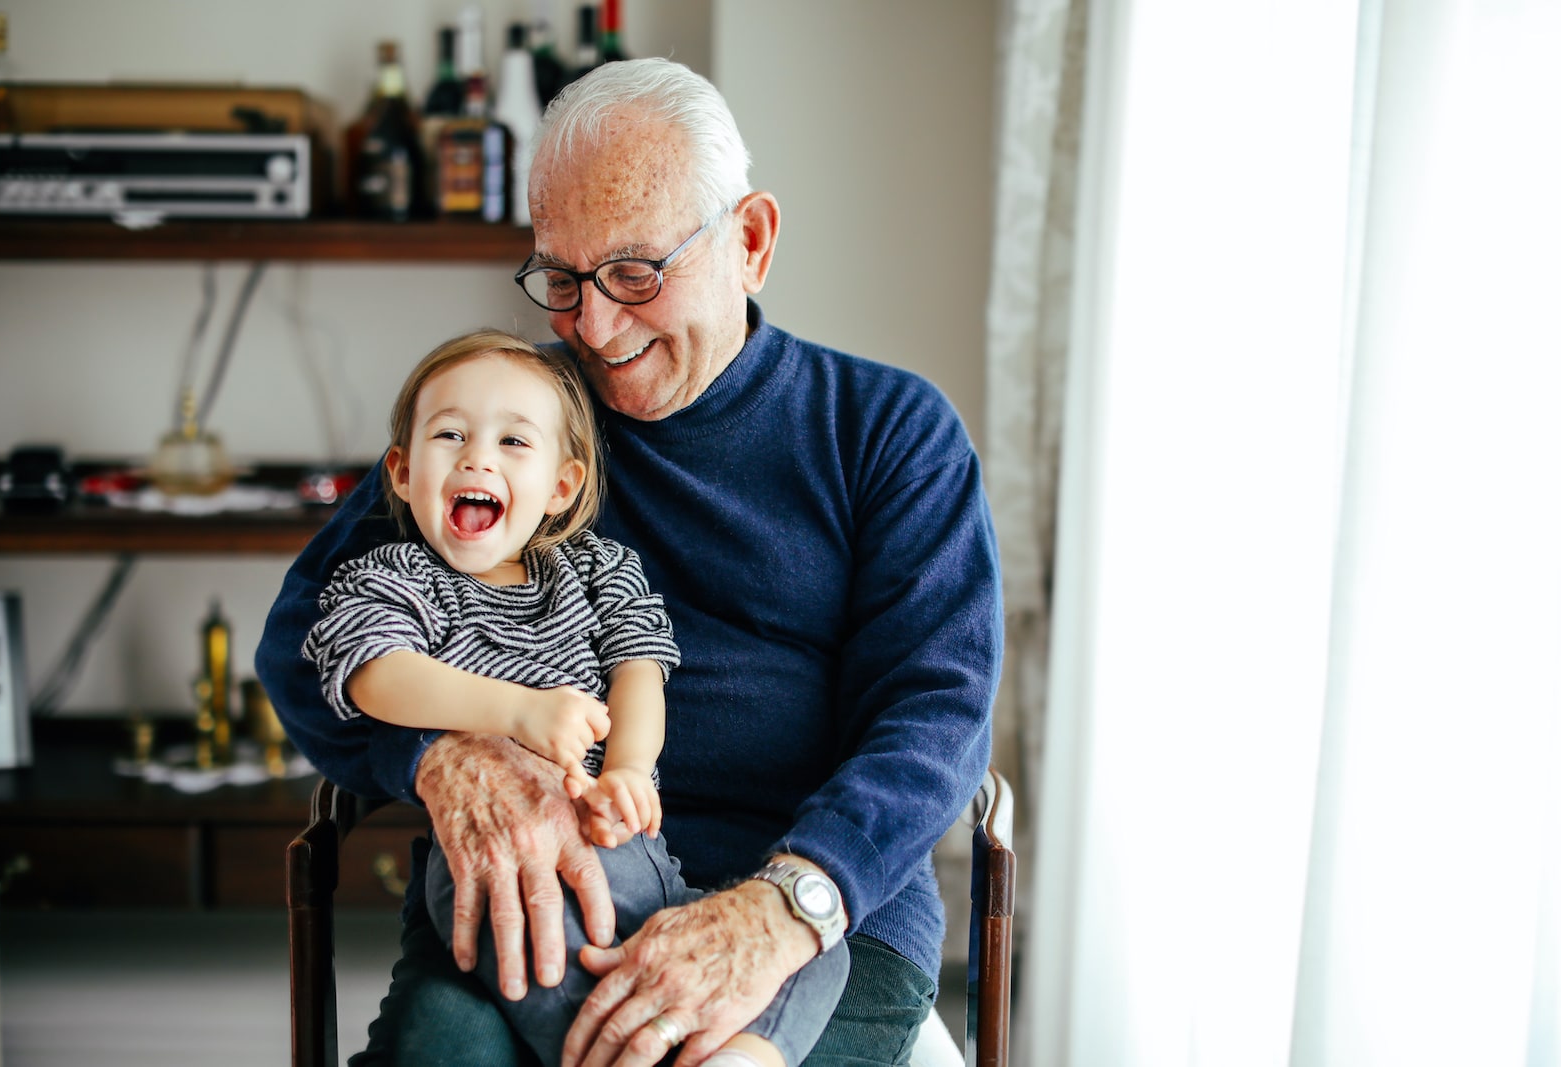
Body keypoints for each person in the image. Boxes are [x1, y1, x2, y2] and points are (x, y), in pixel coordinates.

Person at [257, 56, 1002, 1067]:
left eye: (635, 273)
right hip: (542, 887)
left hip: (809, 909)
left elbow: (936, 713)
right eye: (560, 278)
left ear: (750, 242)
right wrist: (441, 753)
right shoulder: (513, 424)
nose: (593, 329)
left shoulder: (886, 431)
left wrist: (780, 910)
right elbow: (308, 636)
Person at [300, 329, 847, 1067]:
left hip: (638, 857)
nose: (477, 457)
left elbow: (641, 669)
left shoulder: (596, 569)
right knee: (534, 947)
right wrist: (517, 712)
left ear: (561, 485)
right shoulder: (397, 577)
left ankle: (741, 1056)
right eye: (450, 434)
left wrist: (626, 767)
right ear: (400, 472)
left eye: (513, 442)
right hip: (500, 862)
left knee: (815, 948)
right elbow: (375, 672)